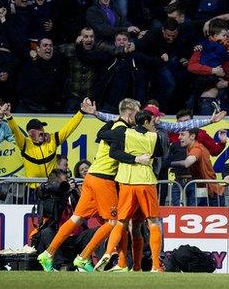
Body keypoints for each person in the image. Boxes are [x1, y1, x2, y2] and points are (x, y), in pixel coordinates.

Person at [37, 99, 149, 272]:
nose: (139, 116)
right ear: (129, 113)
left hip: (91, 177)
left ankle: (48, 253)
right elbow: (116, 153)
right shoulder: (122, 130)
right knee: (113, 222)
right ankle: (83, 257)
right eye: (137, 112)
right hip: (103, 178)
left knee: (77, 218)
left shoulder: (114, 126)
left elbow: (101, 134)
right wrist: (137, 159)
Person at [94, 110, 165, 272]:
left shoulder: (123, 132)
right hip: (146, 182)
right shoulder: (154, 137)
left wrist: (113, 121)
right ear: (146, 122)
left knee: (122, 222)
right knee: (152, 222)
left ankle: (108, 251)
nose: (154, 123)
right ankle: (155, 265)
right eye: (152, 121)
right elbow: (161, 152)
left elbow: (103, 136)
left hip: (126, 182)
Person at [31, 169, 96, 271]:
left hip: (76, 236)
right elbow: (55, 213)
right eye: (65, 181)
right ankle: (61, 266)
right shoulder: (47, 197)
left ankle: (100, 264)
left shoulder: (72, 193)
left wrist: (78, 193)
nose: (68, 182)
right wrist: (65, 193)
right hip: (58, 236)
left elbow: (85, 212)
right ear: (55, 184)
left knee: (96, 231)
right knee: (47, 232)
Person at [171, 128, 225, 206]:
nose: (179, 137)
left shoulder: (197, 148)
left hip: (212, 194)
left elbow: (187, 163)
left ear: (192, 136)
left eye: (182, 134)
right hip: (205, 192)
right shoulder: (190, 147)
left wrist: (170, 163)